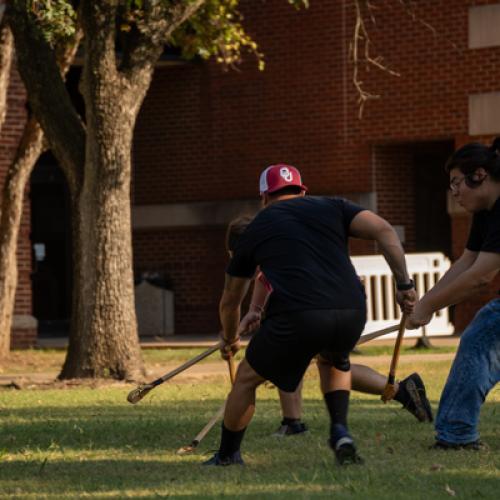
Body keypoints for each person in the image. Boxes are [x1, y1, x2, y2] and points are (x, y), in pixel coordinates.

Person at [205, 164, 417, 467]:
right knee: (334, 361)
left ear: (265, 197)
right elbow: (384, 230)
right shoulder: (334, 206)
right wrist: (404, 284)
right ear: (303, 190)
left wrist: (229, 337)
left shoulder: (258, 226)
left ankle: (227, 456)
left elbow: (230, 299)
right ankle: (340, 432)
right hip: (352, 310)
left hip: (300, 314)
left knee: (247, 379)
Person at [226, 218, 432, 438]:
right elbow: (264, 278)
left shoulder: (273, 247)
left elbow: (263, 278)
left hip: (322, 304)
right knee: (331, 364)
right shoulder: (281, 239)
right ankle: (404, 391)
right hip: (338, 300)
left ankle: (292, 423)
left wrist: (252, 319)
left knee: (293, 357)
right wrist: (256, 310)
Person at [408, 138, 500, 450]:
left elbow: (482, 276)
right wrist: (424, 304)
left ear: (481, 175)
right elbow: (467, 261)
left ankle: (456, 436)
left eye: (457, 182)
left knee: (480, 336)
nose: (454, 192)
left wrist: (430, 305)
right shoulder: (487, 211)